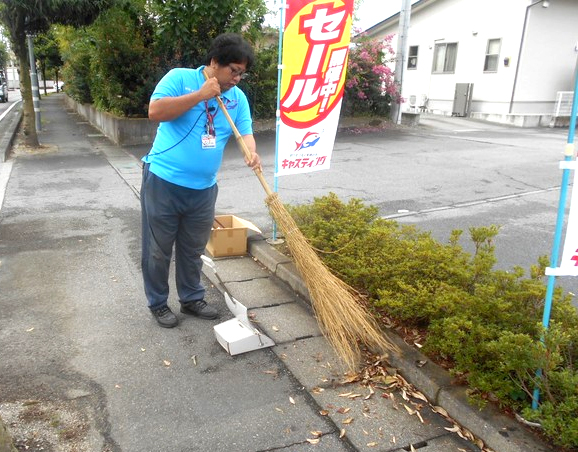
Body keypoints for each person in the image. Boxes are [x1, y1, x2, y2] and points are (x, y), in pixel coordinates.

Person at [141, 33, 261, 328]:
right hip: (163, 181)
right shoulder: (179, 78)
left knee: (192, 248)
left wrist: (251, 151)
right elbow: (154, 112)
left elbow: (244, 132)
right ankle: (158, 303)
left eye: (242, 74)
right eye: (233, 70)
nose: (237, 79)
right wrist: (199, 95)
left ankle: (191, 298)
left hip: (204, 188)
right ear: (214, 62)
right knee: (157, 249)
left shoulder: (237, 98)